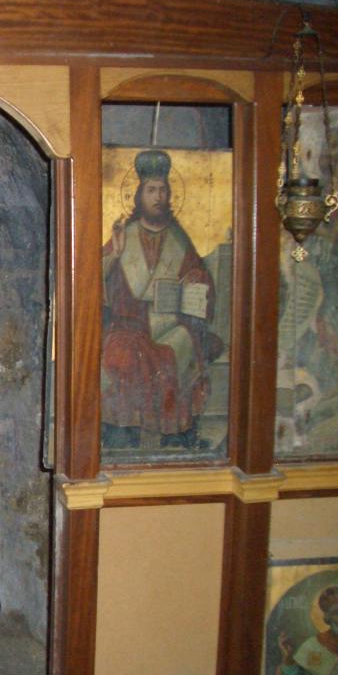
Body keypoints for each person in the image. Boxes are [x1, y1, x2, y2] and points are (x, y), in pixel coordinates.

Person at [101, 149, 221, 450]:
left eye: (162, 190)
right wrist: (114, 255)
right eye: (151, 190)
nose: (158, 197)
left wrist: (195, 281)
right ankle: (123, 432)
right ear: (139, 194)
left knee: (180, 346)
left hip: (171, 325)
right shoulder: (124, 235)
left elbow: (203, 282)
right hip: (128, 326)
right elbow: (91, 281)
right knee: (124, 352)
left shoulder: (179, 239)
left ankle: (176, 433)